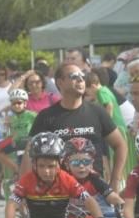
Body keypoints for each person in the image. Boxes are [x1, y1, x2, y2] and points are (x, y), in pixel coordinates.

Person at [26, 63, 128, 191]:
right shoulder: (46, 116)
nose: (80, 80)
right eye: (74, 76)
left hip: (95, 192)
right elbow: (29, 153)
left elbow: (120, 145)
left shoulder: (97, 112)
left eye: (82, 76)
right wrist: (25, 190)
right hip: (60, 193)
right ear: (60, 82)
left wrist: (115, 180)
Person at [0, 89, 36, 176]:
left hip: (28, 142)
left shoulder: (32, 115)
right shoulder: (11, 118)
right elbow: (11, 133)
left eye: (19, 103)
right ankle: (16, 169)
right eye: (13, 103)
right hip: (15, 141)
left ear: (25, 104)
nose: (16, 106)